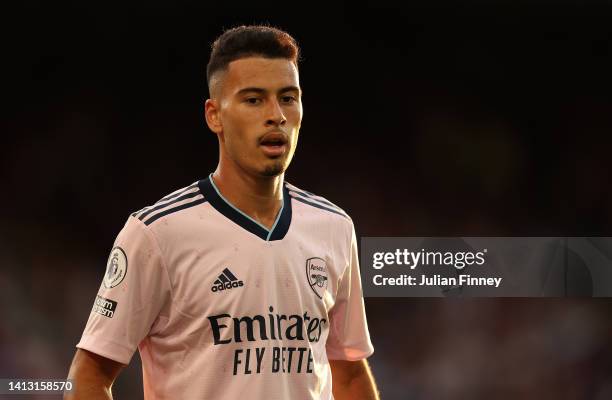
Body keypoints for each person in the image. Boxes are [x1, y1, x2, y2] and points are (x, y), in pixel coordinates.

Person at [65, 25, 379, 400]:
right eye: (253, 100)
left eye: (288, 98)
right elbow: (88, 377)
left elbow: (348, 373)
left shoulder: (334, 227)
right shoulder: (156, 234)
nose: (276, 115)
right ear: (214, 115)